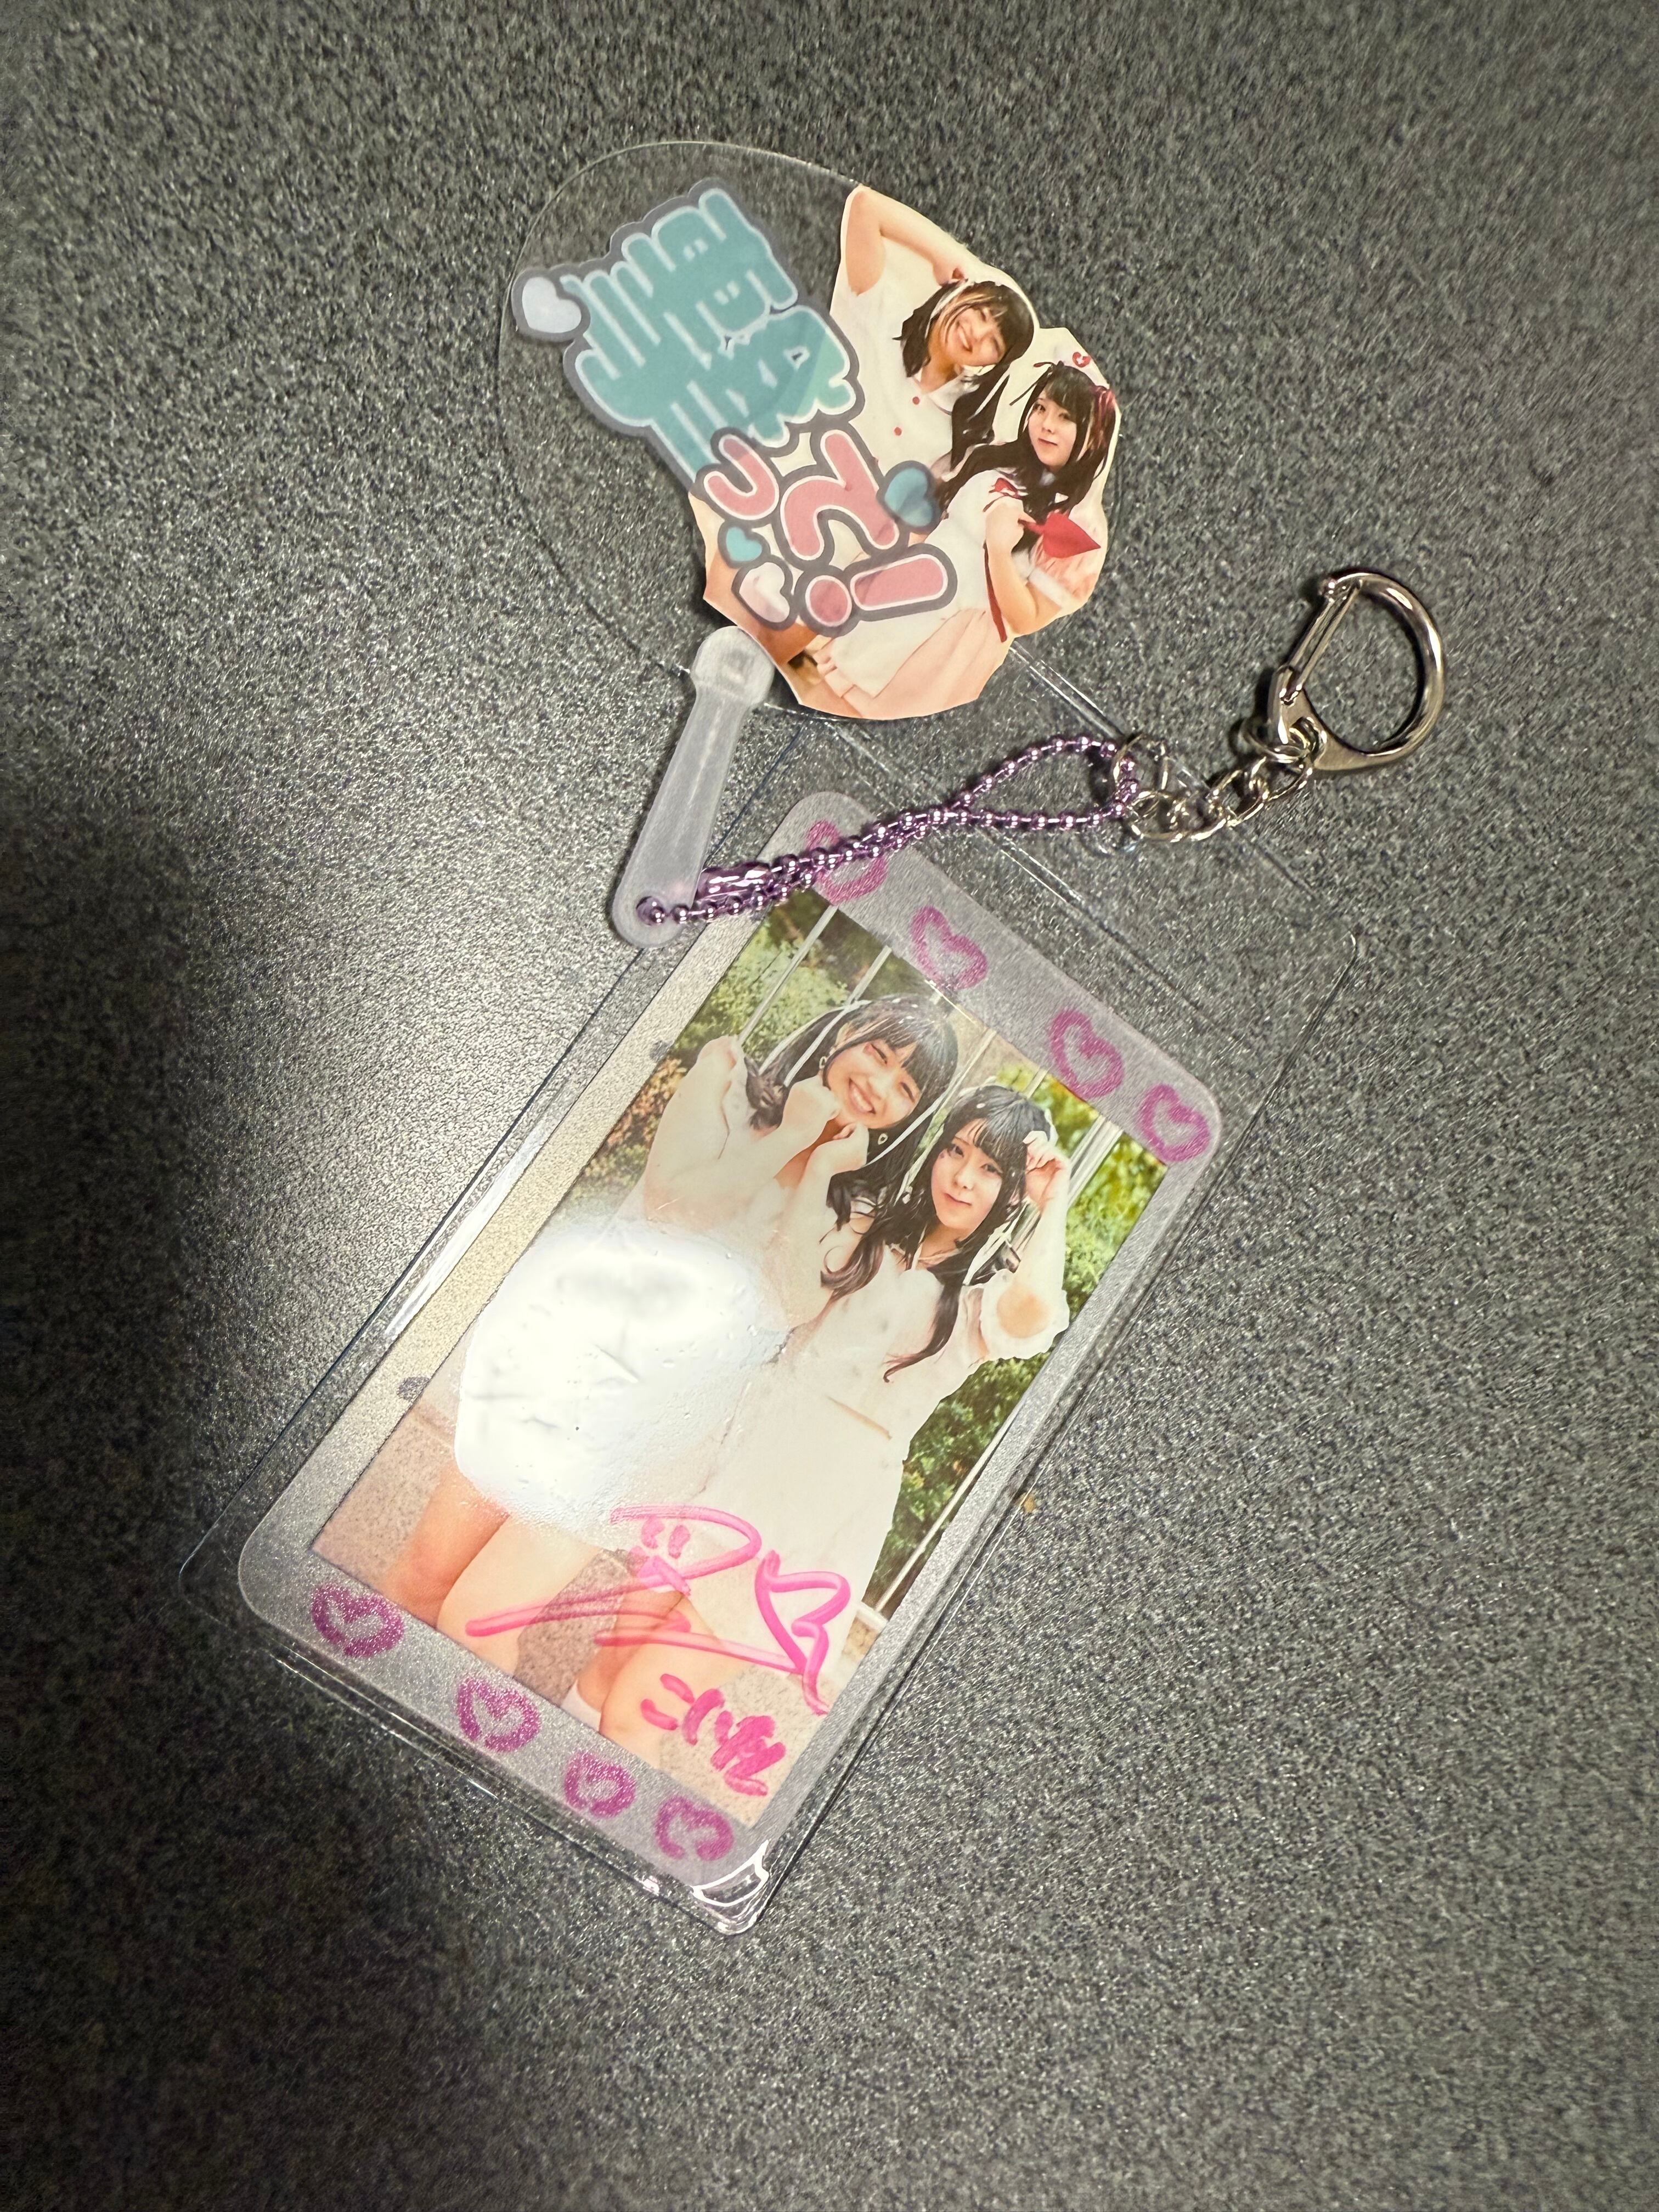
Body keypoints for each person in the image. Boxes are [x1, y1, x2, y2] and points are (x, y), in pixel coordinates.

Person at [375, 996, 961, 1673]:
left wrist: (821, 1169)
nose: (879, 1086)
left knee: (477, 1624)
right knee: (421, 1580)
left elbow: (789, 1304)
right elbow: (674, 1207)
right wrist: (790, 1136)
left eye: (905, 1088)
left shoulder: (854, 1205)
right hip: (569, 1359)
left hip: (650, 1426)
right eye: (879, 1055)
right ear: (849, 1031)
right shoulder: (727, 1078)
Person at [591, 1085, 1074, 1761]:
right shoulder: (871, 1227)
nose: (964, 1178)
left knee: (634, 1711)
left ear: (1014, 1190)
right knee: (606, 1671)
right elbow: (785, 1294)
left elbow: (1035, 1309)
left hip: (814, 1509)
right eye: (957, 1152)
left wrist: (1055, 1202)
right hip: (741, 1460)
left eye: (991, 1169)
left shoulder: (980, 1301)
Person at [810, 363, 1119, 719]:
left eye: (1066, 417)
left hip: (948, 631)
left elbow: (1027, 618)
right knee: (820, 677)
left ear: (1095, 436)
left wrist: (999, 551)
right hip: (900, 588)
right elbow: (933, 518)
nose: (1047, 424)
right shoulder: (1000, 457)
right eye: (1041, 408)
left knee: (850, 702)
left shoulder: (1081, 527)